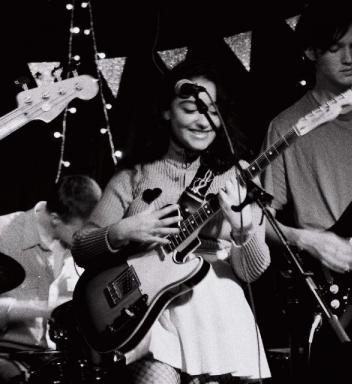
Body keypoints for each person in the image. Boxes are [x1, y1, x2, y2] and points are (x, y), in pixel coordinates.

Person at [71, 59, 272, 384]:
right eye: (192, 109)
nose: (205, 121)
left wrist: (243, 228)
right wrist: (124, 230)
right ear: (166, 112)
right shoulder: (133, 176)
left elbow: (252, 271)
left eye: (213, 111)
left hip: (222, 319)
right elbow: (81, 246)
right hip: (154, 317)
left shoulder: (235, 176)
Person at [261, 0, 352, 383]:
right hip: (335, 306)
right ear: (310, 52)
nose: (350, 59)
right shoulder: (286, 127)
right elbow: (258, 222)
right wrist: (310, 241)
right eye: (336, 49)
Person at [0, 174, 102, 383]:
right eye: (80, 231)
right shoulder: (3, 233)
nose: (87, 237)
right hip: (10, 358)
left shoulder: (82, 247)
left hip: (64, 360)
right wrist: (50, 309)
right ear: (55, 218)